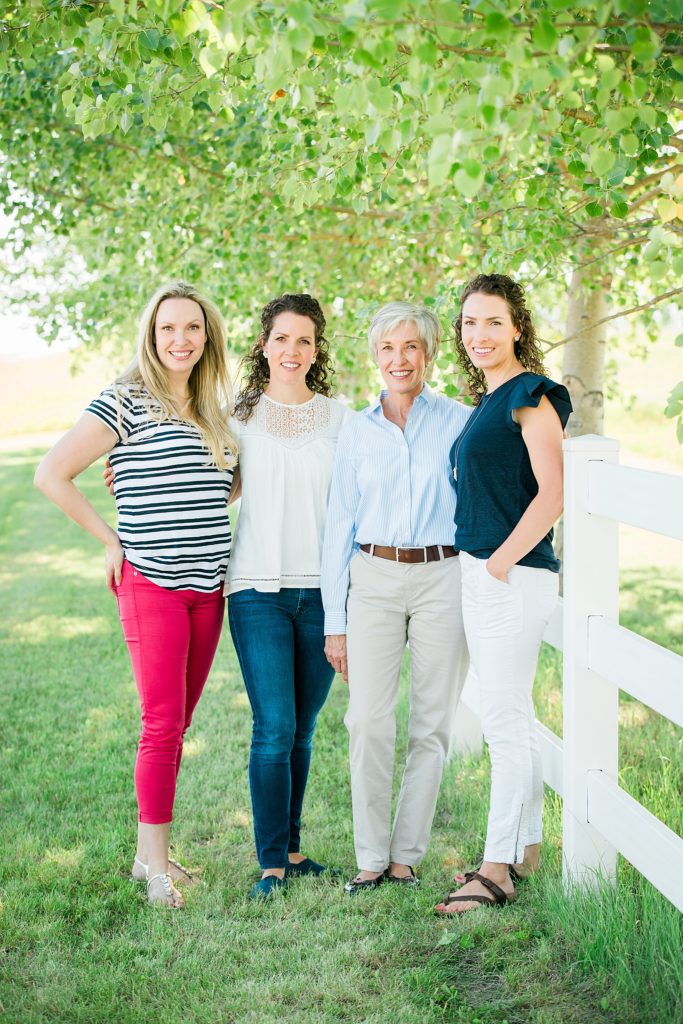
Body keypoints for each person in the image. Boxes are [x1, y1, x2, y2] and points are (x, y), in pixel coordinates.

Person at [34, 281, 237, 909]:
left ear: (208, 338)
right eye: (168, 328)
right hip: (153, 583)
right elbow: (51, 473)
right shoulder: (121, 401)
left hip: (210, 588)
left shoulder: (211, 408)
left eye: (193, 329)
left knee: (179, 725)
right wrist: (112, 538)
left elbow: (221, 489)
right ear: (151, 335)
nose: (181, 340)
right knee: (160, 725)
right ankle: (151, 870)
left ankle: (152, 854)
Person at [321, 301, 471, 894]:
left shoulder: (460, 421)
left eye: (410, 347)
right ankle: (370, 856)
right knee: (367, 720)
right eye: (387, 348)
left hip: (443, 577)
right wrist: (336, 622)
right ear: (374, 356)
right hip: (374, 580)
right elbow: (339, 524)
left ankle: (406, 856)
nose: (399, 359)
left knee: (432, 723)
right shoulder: (357, 430)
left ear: (429, 354)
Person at [435, 273, 571, 914]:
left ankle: (495, 871)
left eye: (493, 321)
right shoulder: (486, 402)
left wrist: (499, 565)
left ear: (518, 326)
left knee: (504, 724)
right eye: (469, 323)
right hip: (484, 573)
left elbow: (553, 493)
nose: (479, 334)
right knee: (507, 713)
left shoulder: (530, 396)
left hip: (511, 577)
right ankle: (528, 849)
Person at [226, 293, 349, 899]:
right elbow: (210, 488)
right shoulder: (236, 416)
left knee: (303, 729)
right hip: (256, 591)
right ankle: (270, 864)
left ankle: (294, 850)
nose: (292, 351)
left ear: (317, 348)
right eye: (282, 338)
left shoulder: (340, 419)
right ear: (263, 345)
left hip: (324, 595)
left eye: (304, 340)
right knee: (273, 726)